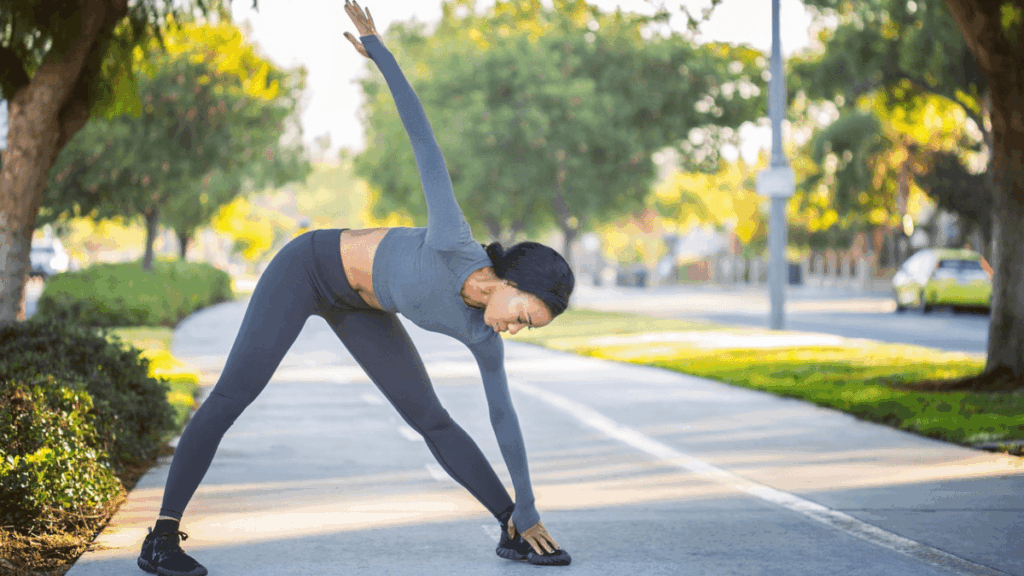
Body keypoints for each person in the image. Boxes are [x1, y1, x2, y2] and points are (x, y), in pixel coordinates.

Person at [136, 2, 575, 575]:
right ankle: (161, 536)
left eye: (527, 327)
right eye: (523, 313)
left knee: (431, 418)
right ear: (510, 279)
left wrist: (527, 506)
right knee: (233, 393)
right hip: (308, 267)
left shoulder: (482, 334)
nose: (514, 328)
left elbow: (503, 419)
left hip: (359, 306)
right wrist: (382, 56)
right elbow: (424, 143)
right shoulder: (452, 241)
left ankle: (509, 530)